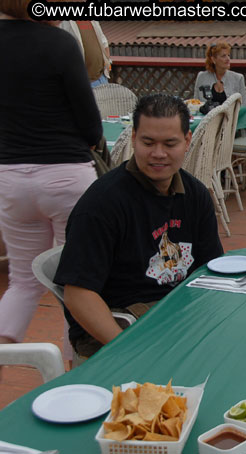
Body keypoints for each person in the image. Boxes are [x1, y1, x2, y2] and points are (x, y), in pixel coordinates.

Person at [54, 94, 224, 359]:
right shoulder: (103, 203)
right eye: (148, 142)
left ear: (187, 141)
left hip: (176, 316)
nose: (158, 154)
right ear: (133, 138)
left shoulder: (195, 195)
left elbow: (210, 270)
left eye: (170, 143)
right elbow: (78, 294)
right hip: (119, 325)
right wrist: (128, 350)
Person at [0, 0, 100, 348]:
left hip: (11, 177)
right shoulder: (59, 44)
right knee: (74, 284)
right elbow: (91, 126)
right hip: (66, 177)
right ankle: (72, 377)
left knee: (23, 282)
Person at [193, 42, 246, 108]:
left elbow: (243, 107)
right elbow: (196, 104)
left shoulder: (238, 78)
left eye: (228, 55)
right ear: (213, 59)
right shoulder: (202, 77)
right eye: (223, 56)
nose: (228, 59)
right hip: (206, 117)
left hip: (231, 118)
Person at [60, 21, 112, 88]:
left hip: (102, 78)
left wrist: (108, 61)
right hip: (80, 84)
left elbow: (103, 40)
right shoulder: (64, 22)